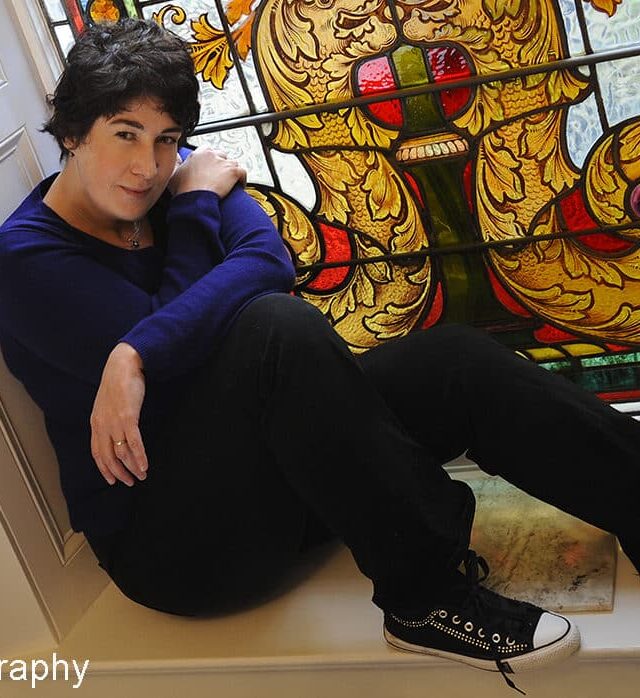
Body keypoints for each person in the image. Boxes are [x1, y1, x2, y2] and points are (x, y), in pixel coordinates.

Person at [0, 17, 638, 692]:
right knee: (274, 328)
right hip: (178, 546)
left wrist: (137, 345)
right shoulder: (26, 259)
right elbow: (184, 359)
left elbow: (266, 260)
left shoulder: (173, 183)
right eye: (124, 134)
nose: (149, 166)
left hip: (282, 485)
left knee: (452, 362)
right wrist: (183, 239)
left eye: (167, 139)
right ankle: (425, 598)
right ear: (72, 132)